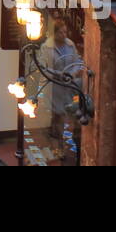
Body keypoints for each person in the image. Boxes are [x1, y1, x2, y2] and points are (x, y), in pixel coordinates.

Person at [47, 20, 87, 162]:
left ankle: (78, 150)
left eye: (65, 31)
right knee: (58, 119)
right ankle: (58, 148)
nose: (64, 34)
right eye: (61, 32)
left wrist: (73, 74)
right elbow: (46, 68)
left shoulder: (70, 44)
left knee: (75, 116)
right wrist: (60, 74)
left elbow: (77, 62)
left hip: (71, 87)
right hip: (57, 87)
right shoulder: (47, 47)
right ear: (54, 33)